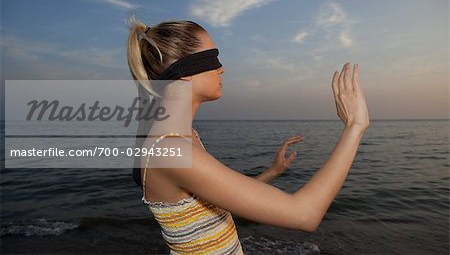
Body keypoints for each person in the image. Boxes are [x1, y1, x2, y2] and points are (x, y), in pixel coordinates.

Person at [126, 16, 370, 254]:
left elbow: (219, 198)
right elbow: (305, 215)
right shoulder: (172, 150)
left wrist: (272, 172)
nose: (222, 68)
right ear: (185, 70)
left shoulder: (183, 137)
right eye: (213, 58)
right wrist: (354, 126)